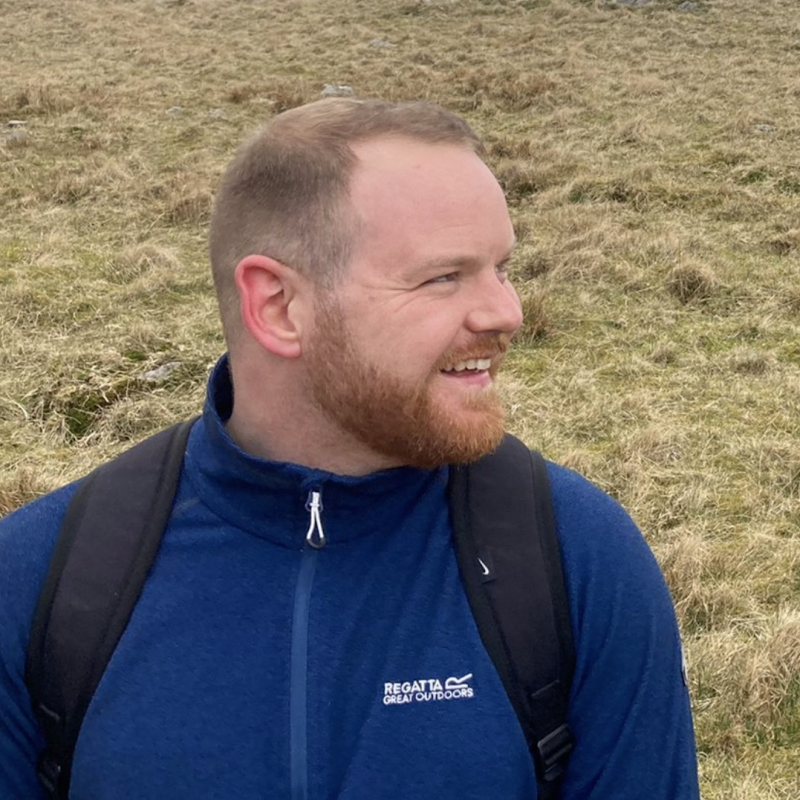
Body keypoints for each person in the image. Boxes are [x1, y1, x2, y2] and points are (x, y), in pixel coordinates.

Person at [0, 98, 700, 799]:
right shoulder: (44, 584)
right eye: (443, 277)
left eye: (502, 268)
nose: (506, 314)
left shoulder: (579, 561)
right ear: (277, 306)